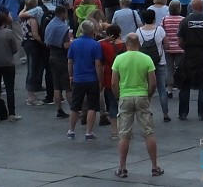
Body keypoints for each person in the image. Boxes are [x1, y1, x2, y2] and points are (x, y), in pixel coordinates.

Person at [111, 33, 162, 180]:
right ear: (139, 44)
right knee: (148, 132)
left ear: (126, 44)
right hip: (142, 96)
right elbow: (153, 83)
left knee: (124, 134)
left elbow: (114, 82)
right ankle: (154, 167)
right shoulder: (146, 59)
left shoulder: (119, 59)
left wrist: (118, 96)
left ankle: (122, 168)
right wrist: (148, 95)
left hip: (125, 96)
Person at [176, 0, 203, 121]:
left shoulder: (185, 21)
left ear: (192, 7)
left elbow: (180, 41)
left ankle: (183, 113)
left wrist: (187, 47)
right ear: (202, 7)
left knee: (185, 85)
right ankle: (202, 113)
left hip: (189, 56)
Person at [66, 20, 104, 141]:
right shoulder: (95, 45)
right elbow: (98, 64)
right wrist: (100, 79)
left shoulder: (74, 44)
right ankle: (89, 132)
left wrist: (71, 76)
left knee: (75, 106)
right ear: (92, 31)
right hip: (92, 79)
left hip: (78, 78)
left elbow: (70, 61)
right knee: (92, 106)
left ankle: (71, 130)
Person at [135, 10, 169, 122]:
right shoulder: (159, 30)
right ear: (154, 18)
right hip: (159, 62)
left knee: (146, 88)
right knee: (162, 89)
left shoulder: (138, 31)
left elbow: (137, 48)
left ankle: (147, 111)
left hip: (144, 63)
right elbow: (167, 46)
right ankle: (165, 114)